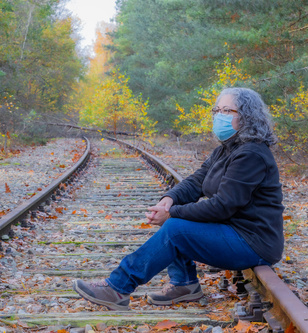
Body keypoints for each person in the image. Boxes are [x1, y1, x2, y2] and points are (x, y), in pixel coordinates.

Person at [73, 87, 284, 309]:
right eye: (217, 110)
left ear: (246, 116)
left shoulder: (250, 154)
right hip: (235, 232)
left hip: (253, 242)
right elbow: (196, 181)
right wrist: (170, 199)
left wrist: (171, 213)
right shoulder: (227, 150)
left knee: (175, 229)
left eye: (227, 110)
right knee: (177, 221)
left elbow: (222, 206)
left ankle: (117, 287)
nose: (219, 115)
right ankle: (184, 284)